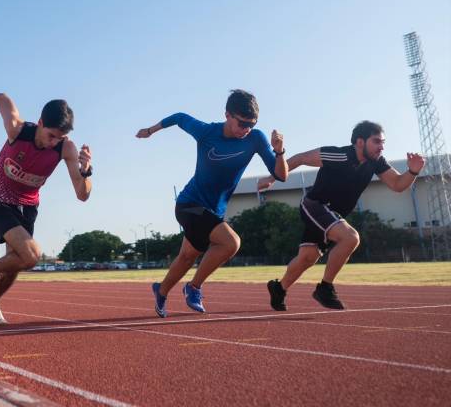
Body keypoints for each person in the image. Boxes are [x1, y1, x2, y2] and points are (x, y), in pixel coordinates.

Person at [138, 89, 288, 317]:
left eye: (251, 124)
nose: (246, 129)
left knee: (188, 256)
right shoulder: (207, 132)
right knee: (231, 243)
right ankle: (193, 287)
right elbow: (179, 117)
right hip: (189, 204)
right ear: (227, 115)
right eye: (241, 123)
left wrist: (279, 151)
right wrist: (150, 130)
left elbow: (281, 175)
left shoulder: (255, 139)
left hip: (213, 211)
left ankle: (162, 290)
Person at [262, 121, 425, 310]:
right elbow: (300, 158)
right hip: (315, 205)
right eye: (377, 142)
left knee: (308, 256)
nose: (382, 147)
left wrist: (413, 170)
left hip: (333, 215)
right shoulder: (338, 155)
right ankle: (325, 288)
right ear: (360, 142)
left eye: (383, 142)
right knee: (350, 238)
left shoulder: (376, 162)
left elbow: (397, 184)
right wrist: (272, 178)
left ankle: (278, 288)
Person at [0, 93, 92, 324]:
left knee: (16, 261)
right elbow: (3, 99)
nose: (54, 142)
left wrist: (86, 171)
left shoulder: (66, 149)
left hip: (27, 205)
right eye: (51, 135)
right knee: (31, 255)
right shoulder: (18, 130)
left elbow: (82, 194)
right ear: (41, 123)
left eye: (60, 137)